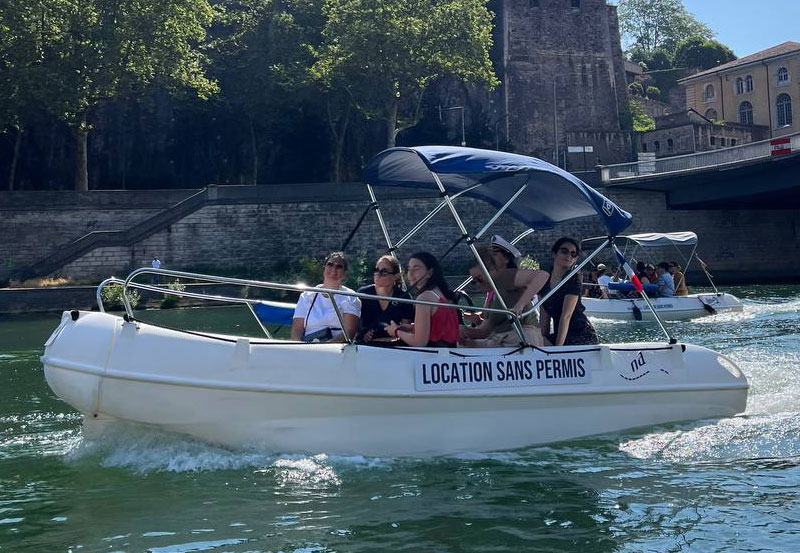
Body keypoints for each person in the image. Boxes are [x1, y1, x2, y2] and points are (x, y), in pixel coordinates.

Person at [460, 247, 548, 347]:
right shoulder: (493, 297)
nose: (478, 285)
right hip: (504, 343)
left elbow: (542, 276)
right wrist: (462, 330)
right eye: (474, 282)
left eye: (480, 279)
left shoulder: (503, 276)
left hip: (523, 340)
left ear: (491, 270)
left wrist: (519, 305)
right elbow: (484, 332)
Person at [385, 252, 459, 347]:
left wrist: (396, 331)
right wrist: (412, 327)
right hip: (450, 353)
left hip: (432, 355)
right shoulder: (441, 294)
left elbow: (419, 342)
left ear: (429, 273)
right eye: (409, 269)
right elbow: (439, 327)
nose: (410, 274)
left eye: (416, 269)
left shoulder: (424, 298)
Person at [539, 237, 598, 346]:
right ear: (554, 254)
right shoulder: (543, 282)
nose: (569, 256)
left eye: (573, 254)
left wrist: (558, 350)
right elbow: (544, 319)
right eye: (564, 251)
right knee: (531, 339)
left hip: (581, 335)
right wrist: (542, 343)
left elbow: (566, 316)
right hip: (561, 335)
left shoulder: (573, 280)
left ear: (575, 259)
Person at [290, 252, 361, 342]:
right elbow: (297, 329)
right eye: (330, 264)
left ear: (344, 273)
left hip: (337, 348)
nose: (334, 269)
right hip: (308, 347)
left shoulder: (351, 297)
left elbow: (350, 332)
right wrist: (299, 346)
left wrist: (326, 347)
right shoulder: (307, 296)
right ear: (324, 268)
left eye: (339, 266)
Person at [464, 235, 522, 325]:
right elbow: (487, 315)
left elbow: (499, 322)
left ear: (506, 259)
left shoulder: (511, 284)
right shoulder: (492, 286)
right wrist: (470, 316)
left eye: (494, 254)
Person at [357, 255, 414, 342]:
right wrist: (364, 334)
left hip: (394, 345)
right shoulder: (363, 294)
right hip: (366, 345)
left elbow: (406, 329)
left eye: (384, 272)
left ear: (396, 276)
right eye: (376, 270)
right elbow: (356, 327)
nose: (378, 274)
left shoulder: (404, 298)